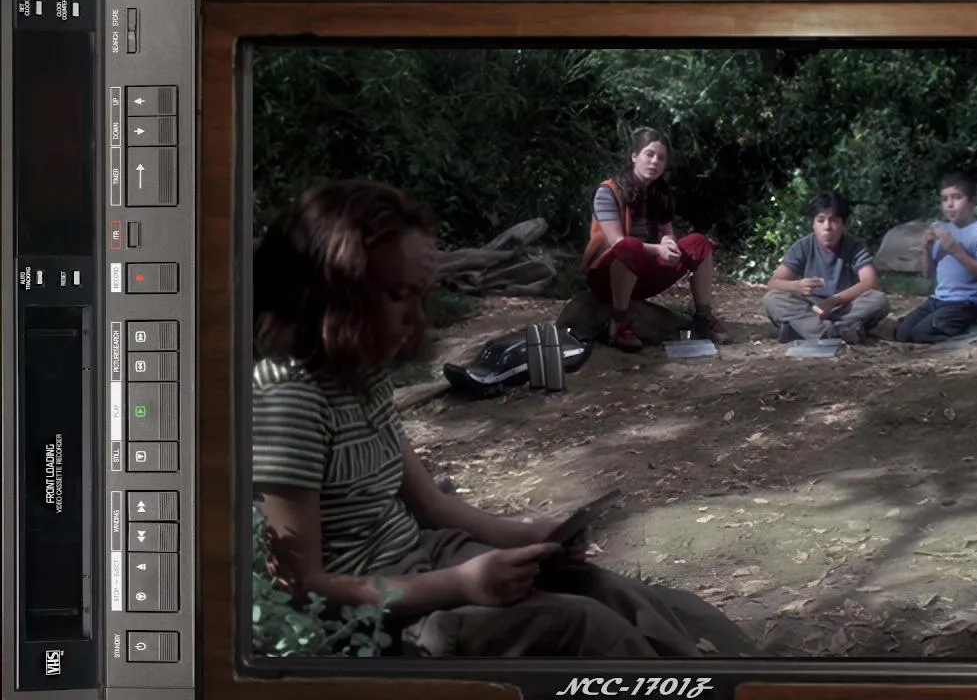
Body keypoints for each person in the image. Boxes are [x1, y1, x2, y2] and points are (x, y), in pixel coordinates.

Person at [252, 178, 758, 659]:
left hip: (429, 556)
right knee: (584, 625)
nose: (415, 319)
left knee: (611, 592)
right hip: (386, 615)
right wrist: (460, 584)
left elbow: (431, 505)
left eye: (419, 297)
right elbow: (301, 585)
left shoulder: (363, 374)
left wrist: (534, 533)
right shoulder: (289, 396)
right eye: (396, 295)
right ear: (331, 291)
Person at [581, 128, 731, 352]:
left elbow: (666, 231)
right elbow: (617, 243)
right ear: (634, 156)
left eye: (661, 158)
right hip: (608, 275)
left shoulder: (659, 193)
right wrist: (657, 250)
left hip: (643, 272)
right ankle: (619, 322)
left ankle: (703, 316)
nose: (654, 162)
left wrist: (669, 244)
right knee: (629, 246)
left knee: (699, 243)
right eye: (649, 154)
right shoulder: (608, 191)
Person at [762, 191, 890, 344]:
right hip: (810, 310)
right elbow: (774, 283)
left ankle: (805, 331)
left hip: (843, 308)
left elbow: (870, 282)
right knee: (772, 300)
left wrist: (832, 302)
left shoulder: (855, 246)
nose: (827, 227)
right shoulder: (803, 246)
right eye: (821, 220)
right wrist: (797, 285)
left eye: (833, 220)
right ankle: (838, 332)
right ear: (813, 224)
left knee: (878, 300)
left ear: (844, 224)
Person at [894, 170, 977, 344]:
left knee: (922, 334)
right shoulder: (943, 229)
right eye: (944, 199)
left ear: (972, 201)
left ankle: (972, 331)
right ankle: (949, 326)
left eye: (957, 197)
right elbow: (928, 274)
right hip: (938, 299)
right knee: (902, 334)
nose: (950, 204)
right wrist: (926, 249)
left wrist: (956, 250)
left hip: (965, 302)